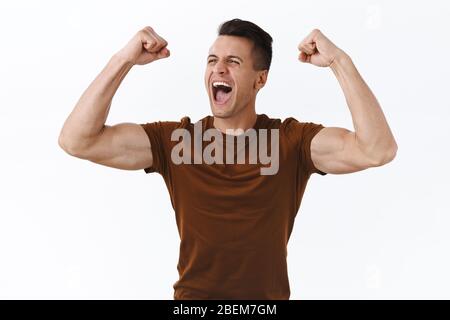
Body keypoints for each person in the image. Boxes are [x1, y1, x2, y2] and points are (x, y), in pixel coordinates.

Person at [58, 18, 397, 300]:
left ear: (260, 79)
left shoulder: (289, 142)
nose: (218, 68)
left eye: (233, 62)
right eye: (212, 60)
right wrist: (123, 59)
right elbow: (77, 140)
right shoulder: (180, 141)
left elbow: (376, 149)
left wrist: (340, 62)